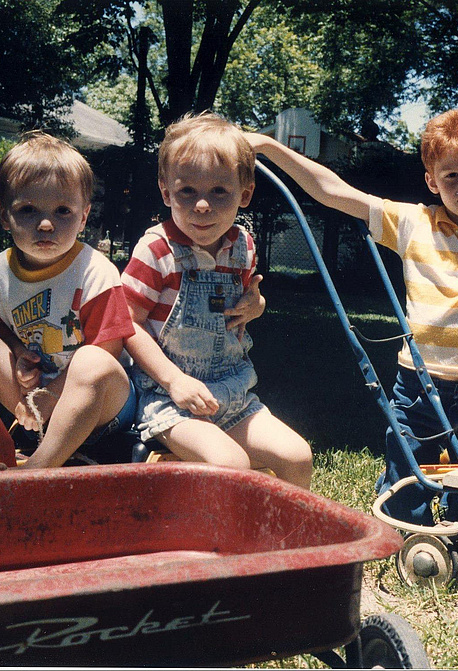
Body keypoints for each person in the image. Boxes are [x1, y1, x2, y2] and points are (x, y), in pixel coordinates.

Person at [247, 106, 458, 524]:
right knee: (404, 462)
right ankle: (404, 528)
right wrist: (266, 146)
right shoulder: (412, 222)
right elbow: (331, 190)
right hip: (418, 380)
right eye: (452, 177)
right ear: (431, 181)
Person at [121, 112, 313, 489]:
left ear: (245, 194)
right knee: (232, 464)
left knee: (298, 456)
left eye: (219, 192)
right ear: (166, 192)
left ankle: (285, 545)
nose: (202, 206)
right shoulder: (157, 250)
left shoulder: (242, 247)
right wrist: (174, 381)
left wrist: (255, 306)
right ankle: (229, 546)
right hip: (169, 397)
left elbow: (247, 301)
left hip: (231, 392)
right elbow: (127, 322)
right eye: (187, 191)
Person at [0, 132, 137, 468]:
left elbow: (108, 350)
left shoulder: (95, 272)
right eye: (28, 210)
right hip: (36, 400)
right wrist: (20, 354)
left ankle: (39, 469)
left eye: (63, 210)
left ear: (83, 216)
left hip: (104, 407)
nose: (46, 224)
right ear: (4, 214)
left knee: (91, 360)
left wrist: (50, 398)